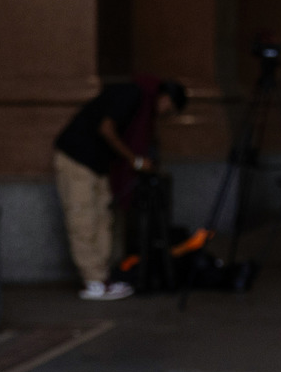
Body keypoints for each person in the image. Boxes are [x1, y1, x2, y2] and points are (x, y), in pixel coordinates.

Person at [52, 76, 188, 301]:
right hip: (76, 158)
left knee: (104, 219)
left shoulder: (142, 105)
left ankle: (102, 276)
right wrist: (134, 161)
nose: (164, 114)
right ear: (165, 98)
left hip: (98, 163)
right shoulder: (132, 94)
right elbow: (106, 128)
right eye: (169, 109)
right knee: (83, 219)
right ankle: (92, 281)